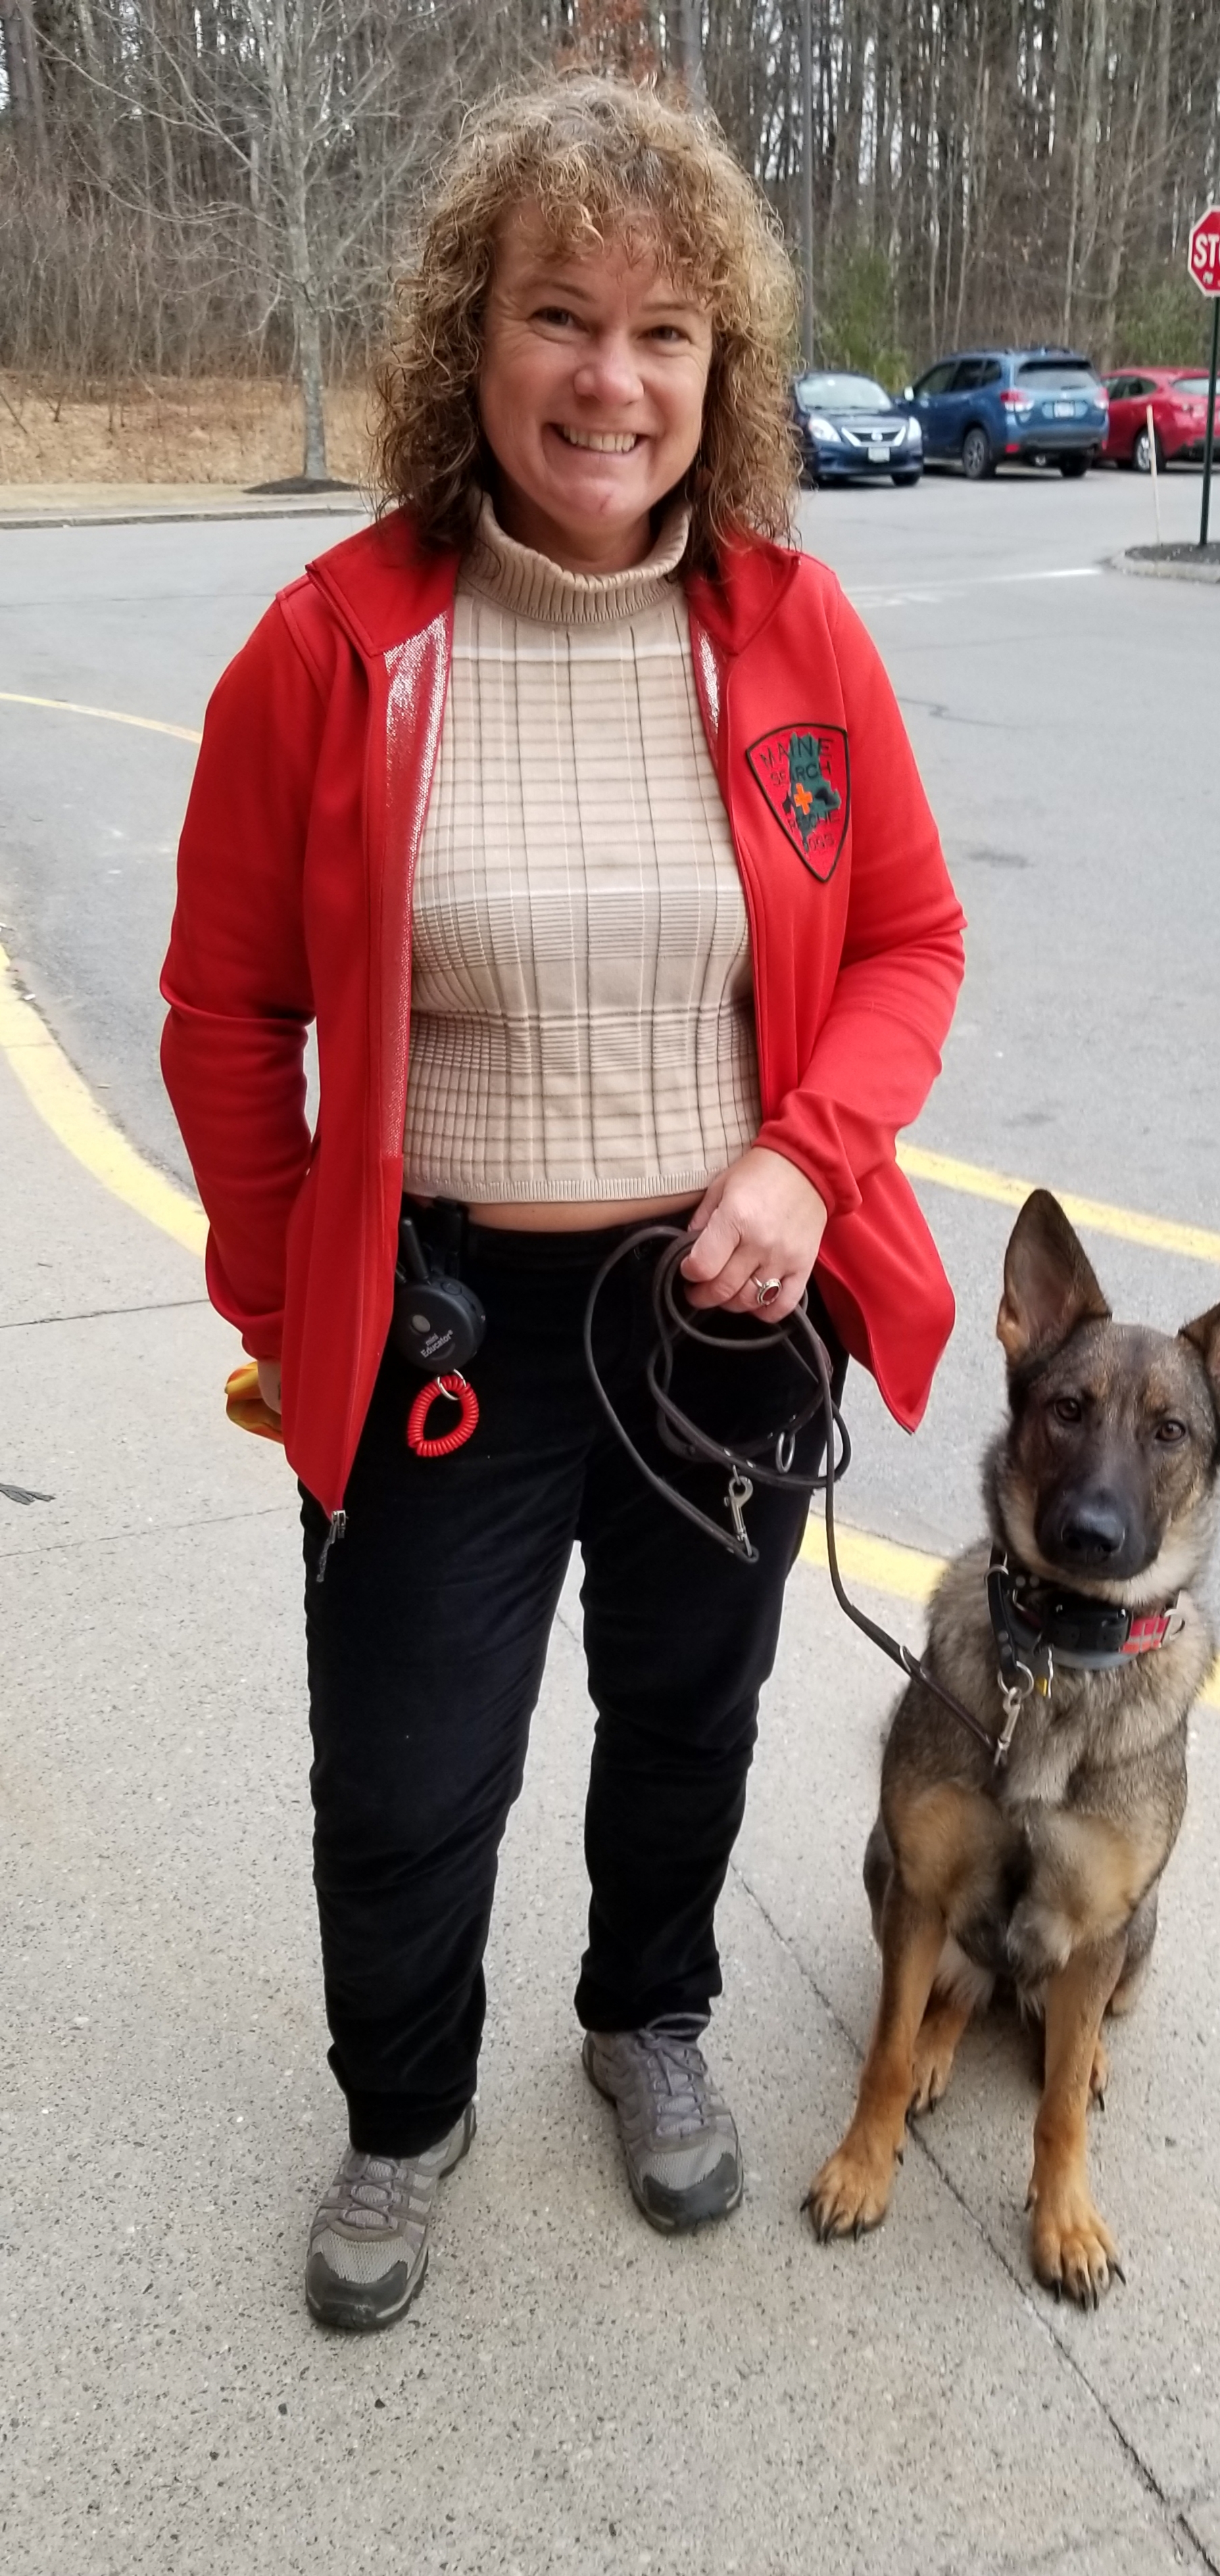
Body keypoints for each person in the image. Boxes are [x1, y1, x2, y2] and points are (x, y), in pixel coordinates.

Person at [161, 73, 964, 2332]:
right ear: (469, 339)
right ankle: (403, 2115)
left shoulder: (800, 631)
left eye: (667, 332)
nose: (612, 379)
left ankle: (648, 2016)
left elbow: (910, 943)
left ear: (722, 372)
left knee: (685, 1712)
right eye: (558, 317)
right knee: (411, 1759)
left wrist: (806, 1167)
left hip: (725, 1316)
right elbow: (226, 1016)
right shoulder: (330, 649)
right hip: (446, 1322)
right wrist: (298, 1281)